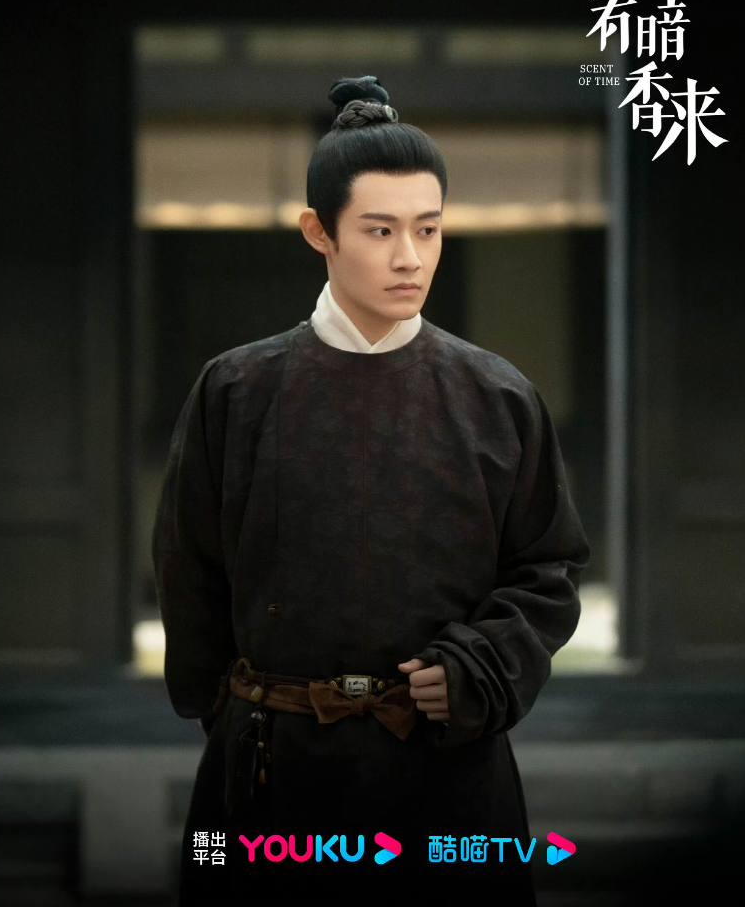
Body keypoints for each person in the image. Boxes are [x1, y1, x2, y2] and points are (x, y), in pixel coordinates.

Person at [152, 76, 590, 901]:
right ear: (318, 231)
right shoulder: (237, 390)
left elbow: (548, 567)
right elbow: (189, 568)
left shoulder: (496, 396)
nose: (408, 258)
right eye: (379, 230)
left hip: (446, 766)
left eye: (427, 229)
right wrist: (241, 710)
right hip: (273, 772)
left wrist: (478, 668)